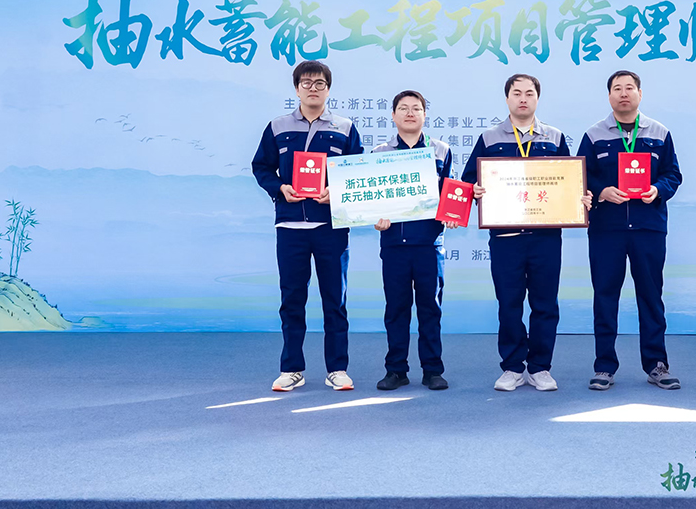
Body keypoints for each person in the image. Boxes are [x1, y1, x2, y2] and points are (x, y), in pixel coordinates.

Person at [461, 74, 590, 392]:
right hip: (506, 238)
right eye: (516, 93)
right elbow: (467, 182)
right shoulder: (490, 138)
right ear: (507, 99)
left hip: (546, 238)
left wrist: (581, 198)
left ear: (537, 98)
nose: (523, 98)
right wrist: (475, 190)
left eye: (529, 93)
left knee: (545, 303)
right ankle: (513, 367)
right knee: (509, 303)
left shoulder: (554, 137)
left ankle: (540, 368)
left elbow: (569, 182)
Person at [252, 60, 363, 392]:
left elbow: (357, 172)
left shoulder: (345, 128)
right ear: (296, 88)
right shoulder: (278, 127)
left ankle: (337, 369)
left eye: (319, 84)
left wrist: (337, 192)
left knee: (335, 300)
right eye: (306, 83)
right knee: (292, 300)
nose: (313, 89)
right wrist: (280, 188)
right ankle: (291, 369)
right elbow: (261, 167)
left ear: (328, 89)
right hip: (290, 227)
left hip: (331, 227)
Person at [577, 70, 683, 391]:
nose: (623, 93)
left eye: (629, 88)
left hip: (648, 228)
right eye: (617, 89)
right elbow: (580, 177)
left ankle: (656, 364)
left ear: (640, 93)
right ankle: (604, 366)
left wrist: (657, 189)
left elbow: (673, 174)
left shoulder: (659, 133)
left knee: (651, 297)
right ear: (609, 96)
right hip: (606, 229)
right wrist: (602, 191)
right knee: (605, 297)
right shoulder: (594, 135)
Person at [372, 90, 453, 391]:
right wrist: (376, 217)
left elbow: (449, 190)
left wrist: (452, 213)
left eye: (416, 108)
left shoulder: (440, 150)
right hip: (394, 244)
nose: (410, 113)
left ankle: (433, 370)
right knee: (396, 309)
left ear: (424, 115)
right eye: (403, 108)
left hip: (429, 245)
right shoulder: (380, 153)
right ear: (393, 115)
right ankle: (396, 370)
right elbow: (372, 196)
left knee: (430, 309)